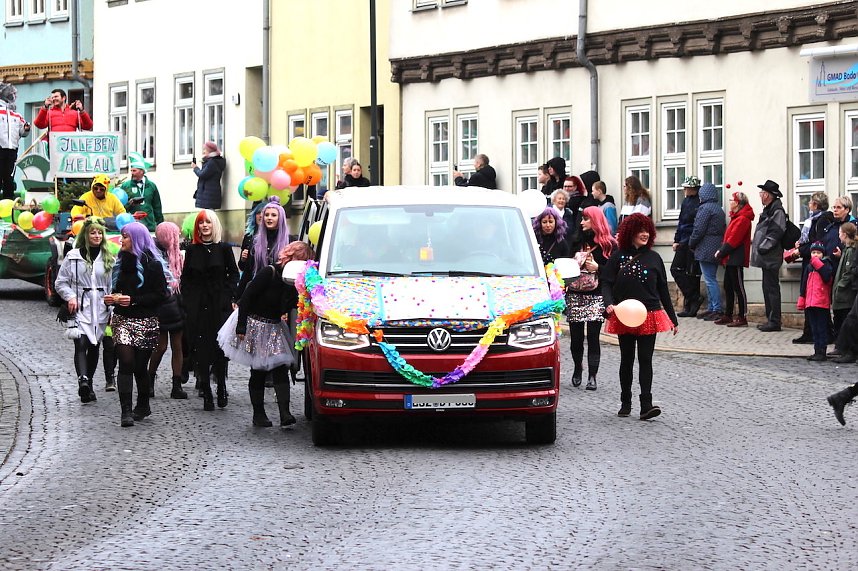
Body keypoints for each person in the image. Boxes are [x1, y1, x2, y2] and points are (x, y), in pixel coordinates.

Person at [218, 241, 314, 427]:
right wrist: (241, 327)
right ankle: (259, 414)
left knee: (280, 367)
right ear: (291, 258)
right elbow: (246, 299)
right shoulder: (268, 272)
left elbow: (293, 305)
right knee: (259, 370)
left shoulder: (296, 283)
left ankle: (285, 413)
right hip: (255, 324)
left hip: (275, 326)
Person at [601, 213, 678, 420]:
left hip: (650, 314)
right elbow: (606, 281)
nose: (644, 234)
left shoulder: (655, 258)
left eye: (647, 231)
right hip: (624, 314)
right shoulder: (617, 256)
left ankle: (646, 405)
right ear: (630, 233)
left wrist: (673, 319)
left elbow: (663, 289)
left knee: (645, 359)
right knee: (627, 359)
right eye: (640, 231)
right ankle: (626, 401)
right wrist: (609, 304)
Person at [104, 222, 168, 427]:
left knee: (140, 366)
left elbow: (160, 295)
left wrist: (134, 299)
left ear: (137, 239)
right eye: (122, 236)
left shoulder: (153, 265)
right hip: (122, 320)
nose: (121, 240)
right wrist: (112, 299)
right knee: (126, 362)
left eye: (125, 236)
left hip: (146, 320)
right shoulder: (120, 263)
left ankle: (143, 404)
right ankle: (126, 411)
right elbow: (118, 290)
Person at [181, 210, 239, 411]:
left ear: (214, 225)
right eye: (201, 223)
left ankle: (221, 385)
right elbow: (186, 278)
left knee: (220, 348)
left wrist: (229, 296)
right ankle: (206, 389)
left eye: (208, 222)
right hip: (197, 306)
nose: (204, 226)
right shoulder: (192, 250)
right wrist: (188, 301)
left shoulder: (223, 249)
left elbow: (233, 274)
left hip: (218, 304)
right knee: (200, 348)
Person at [55, 217, 115, 403]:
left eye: (99, 233)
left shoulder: (108, 258)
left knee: (94, 345)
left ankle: (87, 382)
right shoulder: (73, 257)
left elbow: (112, 286)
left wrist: (112, 307)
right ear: (86, 235)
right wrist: (70, 297)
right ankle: (83, 380)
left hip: (101, 309)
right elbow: (61, 282)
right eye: (92, 232)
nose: (96, 236)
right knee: (80, 343)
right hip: (81, 305)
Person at [566, 206, 617, 391]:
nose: (581, 222)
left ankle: (592, 376)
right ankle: (578, 368)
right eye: (581, 219)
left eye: (586, 219)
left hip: (596, 295)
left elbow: (614, 274)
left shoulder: (609, 245)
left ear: (595, 220)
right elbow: (563, 266)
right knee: (576, 338)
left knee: (594, 337)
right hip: (575, 294)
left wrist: (598, 268)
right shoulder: (575, 242)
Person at [147, 222, 187, 400]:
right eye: (174, 235)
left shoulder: (178, 254)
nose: (176, 238)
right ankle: (149, 379)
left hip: (176, 305)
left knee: (178, 346)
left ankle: (176, 384)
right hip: (160, 305)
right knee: (161, 347)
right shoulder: (152, 254)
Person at [791, 192, 832, 344]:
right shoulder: (816, 220)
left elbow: (817, 244)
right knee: (810, 298)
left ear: (815, 205)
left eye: (810, 203)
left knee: (813, 299)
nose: (808, 205)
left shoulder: (821, 220)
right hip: (810, 262)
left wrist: (800, 250)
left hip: (814, 263)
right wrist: (800, 245)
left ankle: (817, 334)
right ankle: (812, 332)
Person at [235, 196, 291, 302]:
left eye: (274, 215)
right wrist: (238, 297)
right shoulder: (255, 242)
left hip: (279, 296)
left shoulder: (289, 242)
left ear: (281, 218)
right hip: (257, 294)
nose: (269, 218)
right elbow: (247, 271)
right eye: (266, 215)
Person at [750, 179, 787, 332]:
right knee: (767, 287)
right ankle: (770, 319)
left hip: (771, 256)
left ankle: (774, 321)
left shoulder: (777, 211)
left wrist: (763, 247)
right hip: (767, 257)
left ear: (769, 195)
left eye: (763, 193)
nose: (761, 196)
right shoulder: (770, 209)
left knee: (771, 289)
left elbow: (776, 232)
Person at [714, 191, 754, 327]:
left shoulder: (742, 219)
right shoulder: (736, 217)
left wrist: (721, 251)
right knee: (728, 286)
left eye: (732, 199)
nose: (729, 201)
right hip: (730, 257)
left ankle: (742, 316)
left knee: (738, 287)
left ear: (737, 203)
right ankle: (728, 314)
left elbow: (734, 240)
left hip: (736, 257)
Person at [688, 182, 726, 321]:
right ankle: (712, 308)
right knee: (711, 278)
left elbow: (698, 229)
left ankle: (716, 308)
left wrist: (691, 243)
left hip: (706, 247)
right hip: (716, 245)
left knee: (710, 279)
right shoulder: (718, 209)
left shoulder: (705, 209)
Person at [797, 242, 834, 361]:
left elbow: (827, 277)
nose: (815, 255)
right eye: (813, 253)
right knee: (814, 328)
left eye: (818, 253)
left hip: (821, 302)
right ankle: (816, 350)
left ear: (822, 254)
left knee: (821, 328)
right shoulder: (809, 267)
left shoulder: (826, 264)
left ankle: (822, 351)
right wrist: (802, 298)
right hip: (810, 302)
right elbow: (804, 284)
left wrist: (818, 264)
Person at [672, 176, 702, 317]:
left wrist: (690, 241)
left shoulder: (699, 202)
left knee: (690, 273)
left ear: (693, 189)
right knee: (677, 269)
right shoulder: (686, 201)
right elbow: (680, 222)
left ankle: (692, 302)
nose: (684, 190)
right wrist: (676, 239)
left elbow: (696, 225)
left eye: (686, 188)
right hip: (683, 240)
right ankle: (692, 299)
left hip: (691, 241)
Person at [0, 82, 31, 200]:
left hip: (12, 150)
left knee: (9, 178)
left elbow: (22, 132)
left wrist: (26, 128)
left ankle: (8, 201)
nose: (14, 96)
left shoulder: (16, 114)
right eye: (11, 93)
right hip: (0, 148)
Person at [120, 152, 163, 232]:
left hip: (149, 226)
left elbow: (157, 207)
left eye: (134, 171)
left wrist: (160, 224)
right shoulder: (126, 186)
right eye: (131, 170)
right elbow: (120, 207)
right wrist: (130, 203)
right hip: (133, 226)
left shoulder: (151, 186)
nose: (132, 173)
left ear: (142, 171)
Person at [831, 222, 857, 341]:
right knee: (838, 319)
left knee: (843, 319)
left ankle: (845, 346)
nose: (839, 236)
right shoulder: (846, 250)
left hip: (845, 294)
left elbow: (849, 272)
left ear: (845, 235)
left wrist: (840, 286)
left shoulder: (851, 250)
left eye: (840, 233)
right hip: (841, 293)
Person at [192, 141, 225, 210]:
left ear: (209, 150)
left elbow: (202, 174)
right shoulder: (214, 161)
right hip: (209, 193)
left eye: (205, 149)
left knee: (209, 215)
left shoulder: (212, 162)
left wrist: (195, 168)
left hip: (209, 194)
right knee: (208, 215)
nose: (203, 151)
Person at [238, 202, 266, 274]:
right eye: (258, 213)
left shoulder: (272, 236)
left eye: (264, 213)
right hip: (250, 277)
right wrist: (243, 259)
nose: (260, 215)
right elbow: (241, 266)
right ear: (254, 216)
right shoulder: (248, 236)